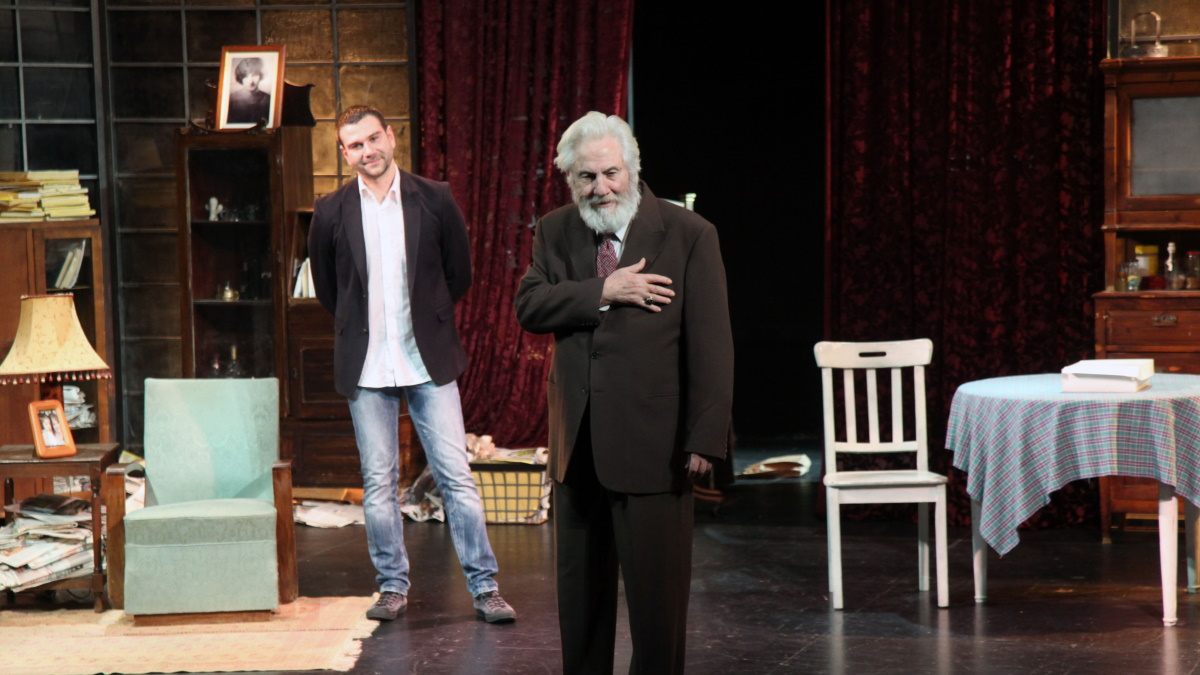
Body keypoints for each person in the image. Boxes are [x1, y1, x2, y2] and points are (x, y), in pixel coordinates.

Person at [514, 112, 734, 674]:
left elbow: (712, 346)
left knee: (658, 607)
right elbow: (529, 306)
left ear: (633, 169)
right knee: (580, 604)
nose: (601, 188)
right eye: (586, 177)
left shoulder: (689, 234)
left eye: (611, 173)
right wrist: (603, 290)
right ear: (570, 178)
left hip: (655, 446)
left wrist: (705, 438)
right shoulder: (555, 229)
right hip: (578, 446)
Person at [308, 104, 515, 624]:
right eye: (355, 145)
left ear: (391, 137)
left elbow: (459, 272)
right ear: (344, 153)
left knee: (456, 478)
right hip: (366, 363)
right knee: (378, 484)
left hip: (427, 357)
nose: (367, 151)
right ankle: (391, 587)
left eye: (373, 139)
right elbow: (330, 290)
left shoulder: (434, 197)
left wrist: (429, 318)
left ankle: (485, 587)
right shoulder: (330, 211)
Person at [226, 57, 271, 125]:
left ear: (261, 76)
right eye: (245, 76)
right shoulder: (230, 99)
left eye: (255, 75)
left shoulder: (269, 99)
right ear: (240, 77)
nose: (250, 81)